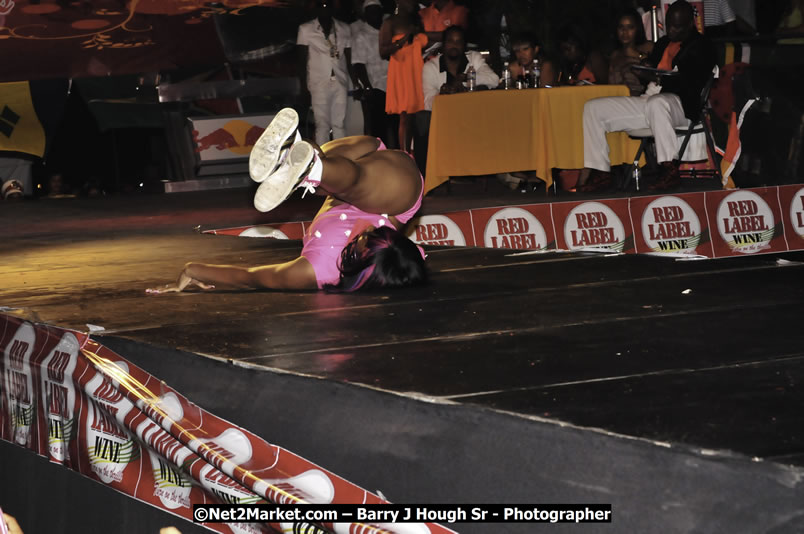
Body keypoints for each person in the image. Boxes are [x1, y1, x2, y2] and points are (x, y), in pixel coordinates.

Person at [147, 108, 427, 294]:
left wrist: (192, 269)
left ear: (356, 265)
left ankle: (305, 162)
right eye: (377, 233)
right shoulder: (395, 244)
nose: (366, 230)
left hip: (333, 178)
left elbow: (251, 277)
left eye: (362, 241)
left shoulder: (318, 270)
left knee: (332, 184)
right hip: (381, 174)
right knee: (389, 187)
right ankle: (310, 166)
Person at [580, 0, 716, 192]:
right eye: (669, 25)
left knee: (658, 103)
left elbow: (690, 81)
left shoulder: (702, 46)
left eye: (677, 27)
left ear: (689, 24)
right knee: (593, 108)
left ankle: (669, 169)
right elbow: (651, 71)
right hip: (651, 99)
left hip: (680, 105)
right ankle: (601, 172)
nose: (671, 31)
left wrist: (659, 77)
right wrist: (643, 72)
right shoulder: (663, 43)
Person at [297, 0, 356, 145]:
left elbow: (349, 58)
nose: (324, 9)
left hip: (340, 80)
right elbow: (301, 60)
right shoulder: (306, 29)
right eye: (321, 6)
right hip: (319, 82)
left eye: (327, 6)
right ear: (316, 9)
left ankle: (340, 156)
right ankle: (322, 159)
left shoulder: (344, 28)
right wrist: (303, 86)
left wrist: (355, 83)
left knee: (339, 123)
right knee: (322, 124)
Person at [380, 0, 430, 154]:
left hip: (417, 69)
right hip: (402, 70)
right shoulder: (390, 22)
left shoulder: (416, 20)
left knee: (418, 115)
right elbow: (382, 51)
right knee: (406, 115)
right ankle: (405, 154)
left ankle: (419, 154)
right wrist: (403, 40)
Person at [351, 0, 394, 147]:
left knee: (394, 126)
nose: (374, 14)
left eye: (376, 10)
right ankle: (380, 159)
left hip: (394, 86)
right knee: (378, 128)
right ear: (366, 14)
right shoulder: (361, 36)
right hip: (376, 87)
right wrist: (367, 86)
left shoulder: (388, 31)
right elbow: (358, 64)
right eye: (370, 11)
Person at [608, 9, 654, 97]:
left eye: (630, 27)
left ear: (637, 29)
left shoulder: (648, 46)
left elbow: (655, 74)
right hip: (619, 100)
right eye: (621, 27)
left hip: (644, 99)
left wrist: (635, 53)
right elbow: (610, 85)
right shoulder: (615, 54)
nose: (625, 32)